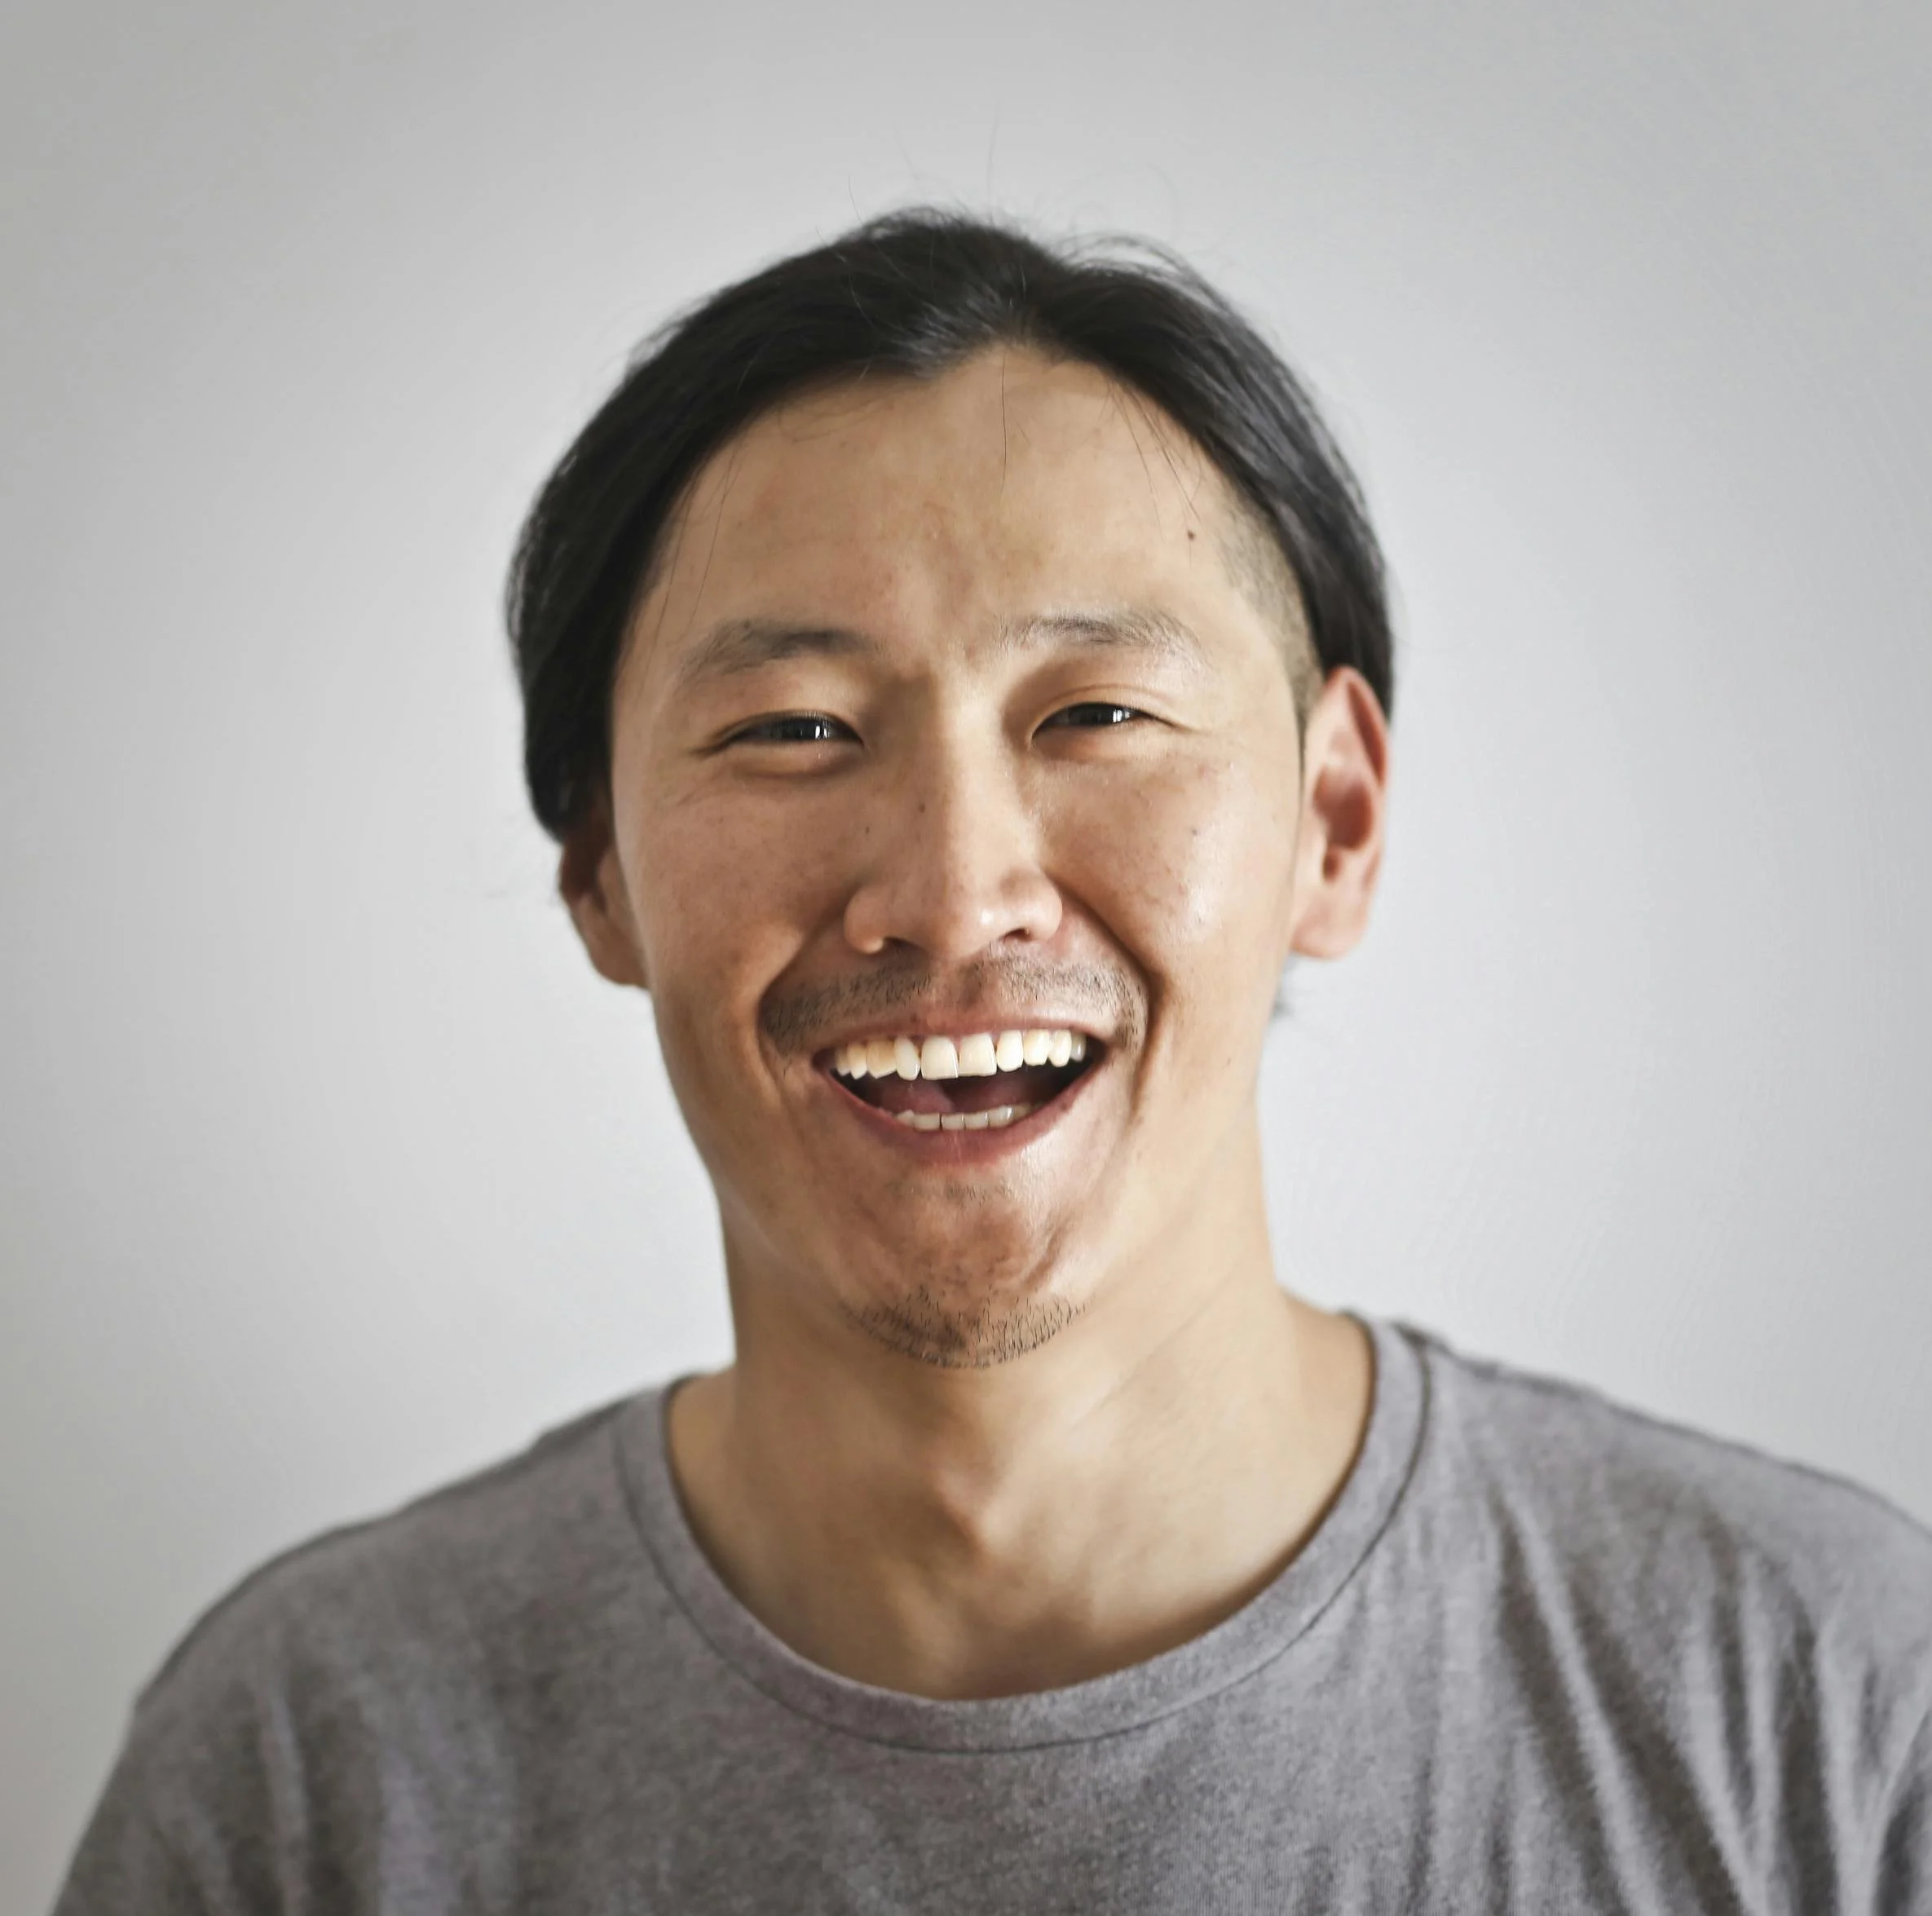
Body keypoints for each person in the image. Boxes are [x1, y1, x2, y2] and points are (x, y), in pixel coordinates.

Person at [55, 210, 1932, 1914]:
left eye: (1098, 712)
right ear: (599, 873)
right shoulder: (313, 1771)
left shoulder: (1831, 1703)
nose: (955, 897)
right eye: (793, 727)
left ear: (1335, 823)